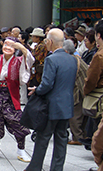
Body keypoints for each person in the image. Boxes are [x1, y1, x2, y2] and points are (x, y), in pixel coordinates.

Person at [26, 28, 77, 171]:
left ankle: (34, 168)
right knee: (61, 139)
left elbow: (47, 84)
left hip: (51, 105)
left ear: (50, 41)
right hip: (66, 105)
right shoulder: (73, 60)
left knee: (43, 138)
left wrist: (37, 90)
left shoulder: (51, 59)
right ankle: (57, 168)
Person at [81, 21, 103, 152]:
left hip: (99, 98)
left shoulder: (99, 55)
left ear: (98, 35)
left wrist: (86, 90)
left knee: (98, 136)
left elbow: (91, 80)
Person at [62, 40, 88, 145]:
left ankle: (78, 137)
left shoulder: (72, 60)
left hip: (79, 90)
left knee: (75, 116)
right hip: (83, 90)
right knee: (80, 115)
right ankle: (81, 135)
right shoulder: (77, 58)